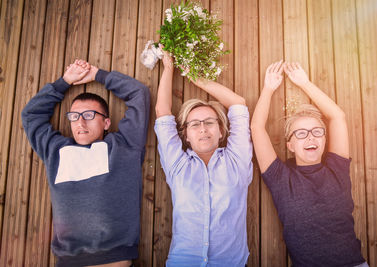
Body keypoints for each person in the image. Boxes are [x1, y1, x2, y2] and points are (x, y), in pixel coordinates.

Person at [21, 59, 150, 267]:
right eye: (74, 116)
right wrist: (64, 82)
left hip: (113, 260)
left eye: (89, 115)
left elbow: (138, 94)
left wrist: (97, 75)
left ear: (106, 122)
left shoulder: (124, 146)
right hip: (68, 261)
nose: (80, 123)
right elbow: (31, 115)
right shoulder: (55, 151)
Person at [251, 60, 368, 266]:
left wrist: (304, 83)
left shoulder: (337, 168)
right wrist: (268, 89)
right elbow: (257, 128)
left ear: (324, 139)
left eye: (317, 132)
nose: (310, 138)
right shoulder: (281, 178)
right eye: (301, 134)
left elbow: (337, 116)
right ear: (290, 145)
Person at [154, 49, 253, 266]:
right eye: (194, 124)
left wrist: (195, 77)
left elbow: (238, 104)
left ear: (221, 131)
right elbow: (163, 113)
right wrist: (169, 67)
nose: (203, 129)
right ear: (186, 135)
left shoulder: (237, 160)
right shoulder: (177, 165)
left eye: (209, 122)